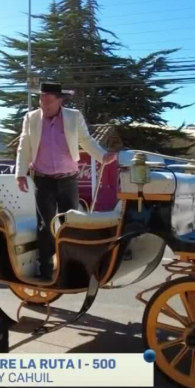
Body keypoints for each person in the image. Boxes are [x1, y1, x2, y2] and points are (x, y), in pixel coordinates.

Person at [15, 82, 117, 279]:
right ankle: (45, 270)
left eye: (48, 99)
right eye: (41, 98)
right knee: (45, 225)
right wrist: (20, 173)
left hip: (68, 179)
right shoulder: (31, 118)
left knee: (69, 223)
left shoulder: (74, 116)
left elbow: (86, 140)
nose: (43, 103)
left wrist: (102, 156)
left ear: (60, 100)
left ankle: (70, 268)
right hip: (42, 179)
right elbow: (24, 145)